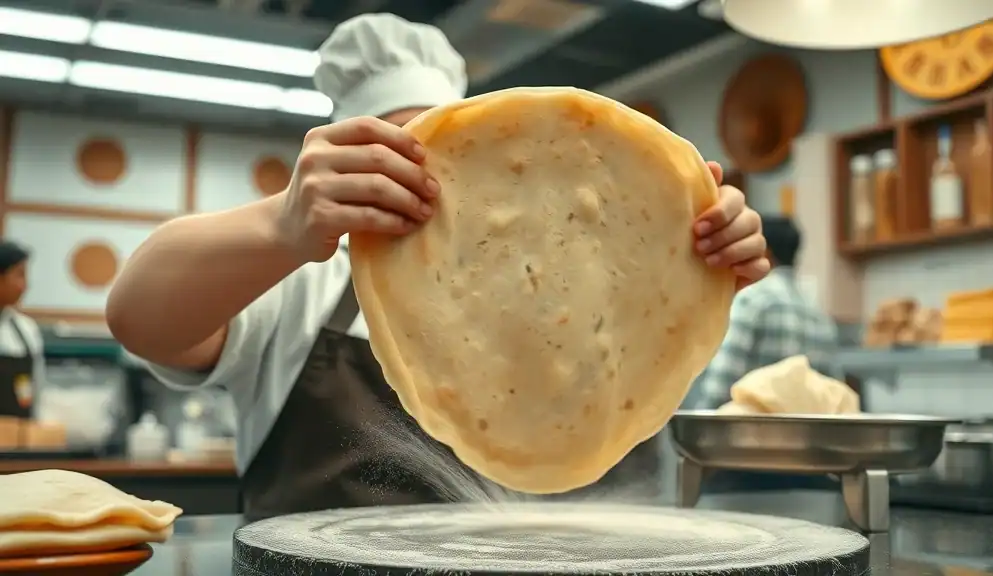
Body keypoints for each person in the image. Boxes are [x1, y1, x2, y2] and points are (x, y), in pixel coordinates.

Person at [106, 13, 770, 519]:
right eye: (382, 157)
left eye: (453, 153)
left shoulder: (567, 278)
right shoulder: (301, 281)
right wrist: (280, 227)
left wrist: (698, 257)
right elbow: (141, 319)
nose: (417, 180)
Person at [683, 216, 839, 411]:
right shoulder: (819, 315)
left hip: (748, 435)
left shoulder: (753, 299)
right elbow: (833, 391)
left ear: (763, 251)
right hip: (807, 437)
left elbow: (721, 384)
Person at [0, 241, 47, 420]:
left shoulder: (26, 329)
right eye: (19, 275)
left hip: (18, 440)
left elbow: (38, 387)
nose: (25, 286)